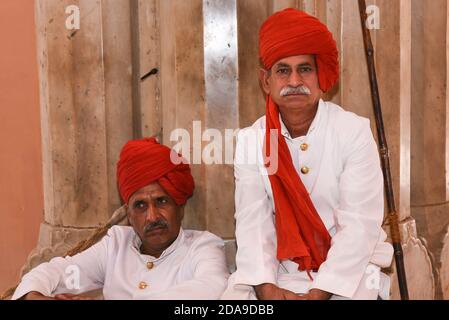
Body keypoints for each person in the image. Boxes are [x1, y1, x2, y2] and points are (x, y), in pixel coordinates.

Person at [222, 8, 393, 300]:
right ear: (266, 81)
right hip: (278, 271)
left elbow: (359, 225)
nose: (293, 81)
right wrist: (267, 289)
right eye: (283, 70)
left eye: (305, 69)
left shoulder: (353, 132)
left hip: (350, 272)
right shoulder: (252, 141)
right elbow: (253, 222)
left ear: (320, 75)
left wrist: (319, 293)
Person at [12, 137, 229, 300]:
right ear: (129, 214)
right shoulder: (115, 247)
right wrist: (34, 296)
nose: (152, 216)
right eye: (140, 206)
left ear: (180, 207)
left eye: (162, 202)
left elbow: (211, 287)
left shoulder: (202, 247)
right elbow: (58, 273)